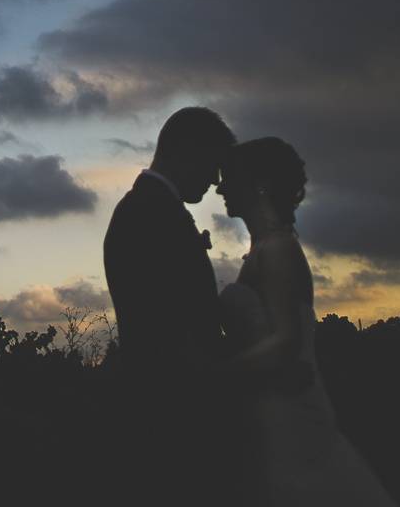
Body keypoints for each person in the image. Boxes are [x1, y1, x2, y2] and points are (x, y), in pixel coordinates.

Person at [216, 137, 397, 506]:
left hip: (289, 414)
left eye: (229, 178)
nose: (220, 187)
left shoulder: (279, 250)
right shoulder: (260, 249)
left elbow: (286, 342)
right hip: (268, 409)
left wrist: (217, 376)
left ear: (259, 184)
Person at [103, 106, 237, 502]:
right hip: (172, 420)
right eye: (213, 165)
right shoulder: (148, 214)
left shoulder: (154, 209)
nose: (215, 181)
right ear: (186, 151)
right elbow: (167, 332)